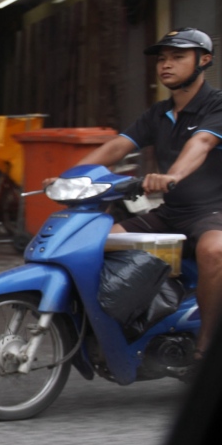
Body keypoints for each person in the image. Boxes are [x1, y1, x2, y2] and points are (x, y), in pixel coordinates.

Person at [63, 28, 222, 356]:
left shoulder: (216, 106)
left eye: (178, 57)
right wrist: (68, 178)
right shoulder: (158, 114)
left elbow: (201, 143)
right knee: (91, 243)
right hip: (171, 213)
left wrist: (172, 175)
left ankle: (207, 346)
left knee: (214, 252)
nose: (166, 65)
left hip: (213, 213)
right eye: (162, 59)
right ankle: (129, 322)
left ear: (203, 60)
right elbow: (118, 147)